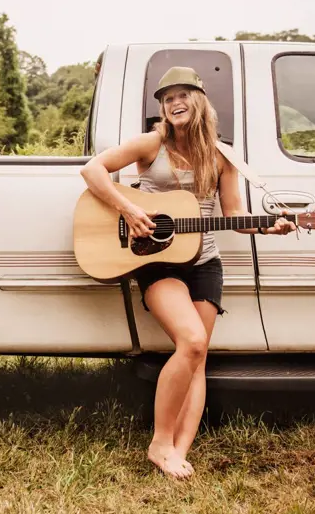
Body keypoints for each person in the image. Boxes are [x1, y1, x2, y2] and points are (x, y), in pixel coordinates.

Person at [80, 66, 296, 480]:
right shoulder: (152, 143)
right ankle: (160, 442)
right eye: (167, 98)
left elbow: (233, 215)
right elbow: (92, 171)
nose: (174, 103)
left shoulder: (223, 154)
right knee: (192, 340)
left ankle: (178, 450)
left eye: (183, 95)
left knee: (196, 356)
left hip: (204, 264)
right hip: (156, 259)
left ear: (199, 101)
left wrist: (269, 225)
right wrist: (131, 209)